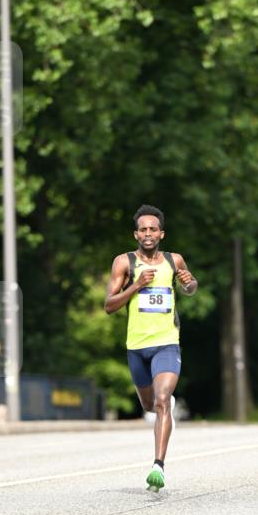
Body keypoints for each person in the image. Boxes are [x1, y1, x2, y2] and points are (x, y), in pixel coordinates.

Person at [104, 204, 198, 492]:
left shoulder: (174, 260)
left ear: (161, 233)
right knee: (149, 405)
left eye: (153, 229)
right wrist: (135, 286)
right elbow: (109, 305)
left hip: (167, 343)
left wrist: (189, 283)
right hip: (136, 346)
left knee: (161, 399)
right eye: (143, 229)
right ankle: (163, 411)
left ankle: (158, 465)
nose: (148, 233)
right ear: (136, 234)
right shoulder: (124, 263)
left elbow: (190, 286)